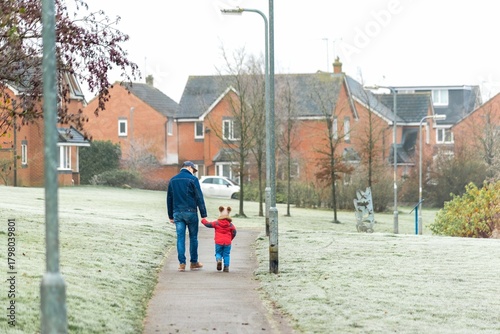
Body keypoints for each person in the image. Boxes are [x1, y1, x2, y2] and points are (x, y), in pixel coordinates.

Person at [167, 161, 207, 272]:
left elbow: (169, 198)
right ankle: (194, 262)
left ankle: (182, 264)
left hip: (177, 213)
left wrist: (170, 215)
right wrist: (203, 213)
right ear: (189, 167)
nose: (193, 172)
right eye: (193, 170)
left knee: (180, 238)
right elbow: (199, 196)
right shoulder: (193, 180)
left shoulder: (173, 180)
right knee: (193, 238)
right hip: (191, 212)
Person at [201, 206, 237, 272]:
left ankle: (219, 260)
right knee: (226, 254)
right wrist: (230, 238)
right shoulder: (230, 225)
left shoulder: (216, 223)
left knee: (218, 253)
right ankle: (226, 267)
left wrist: (203, 220)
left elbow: (208, 224)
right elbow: (234, 232)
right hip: (227, 242)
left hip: (218, 242)